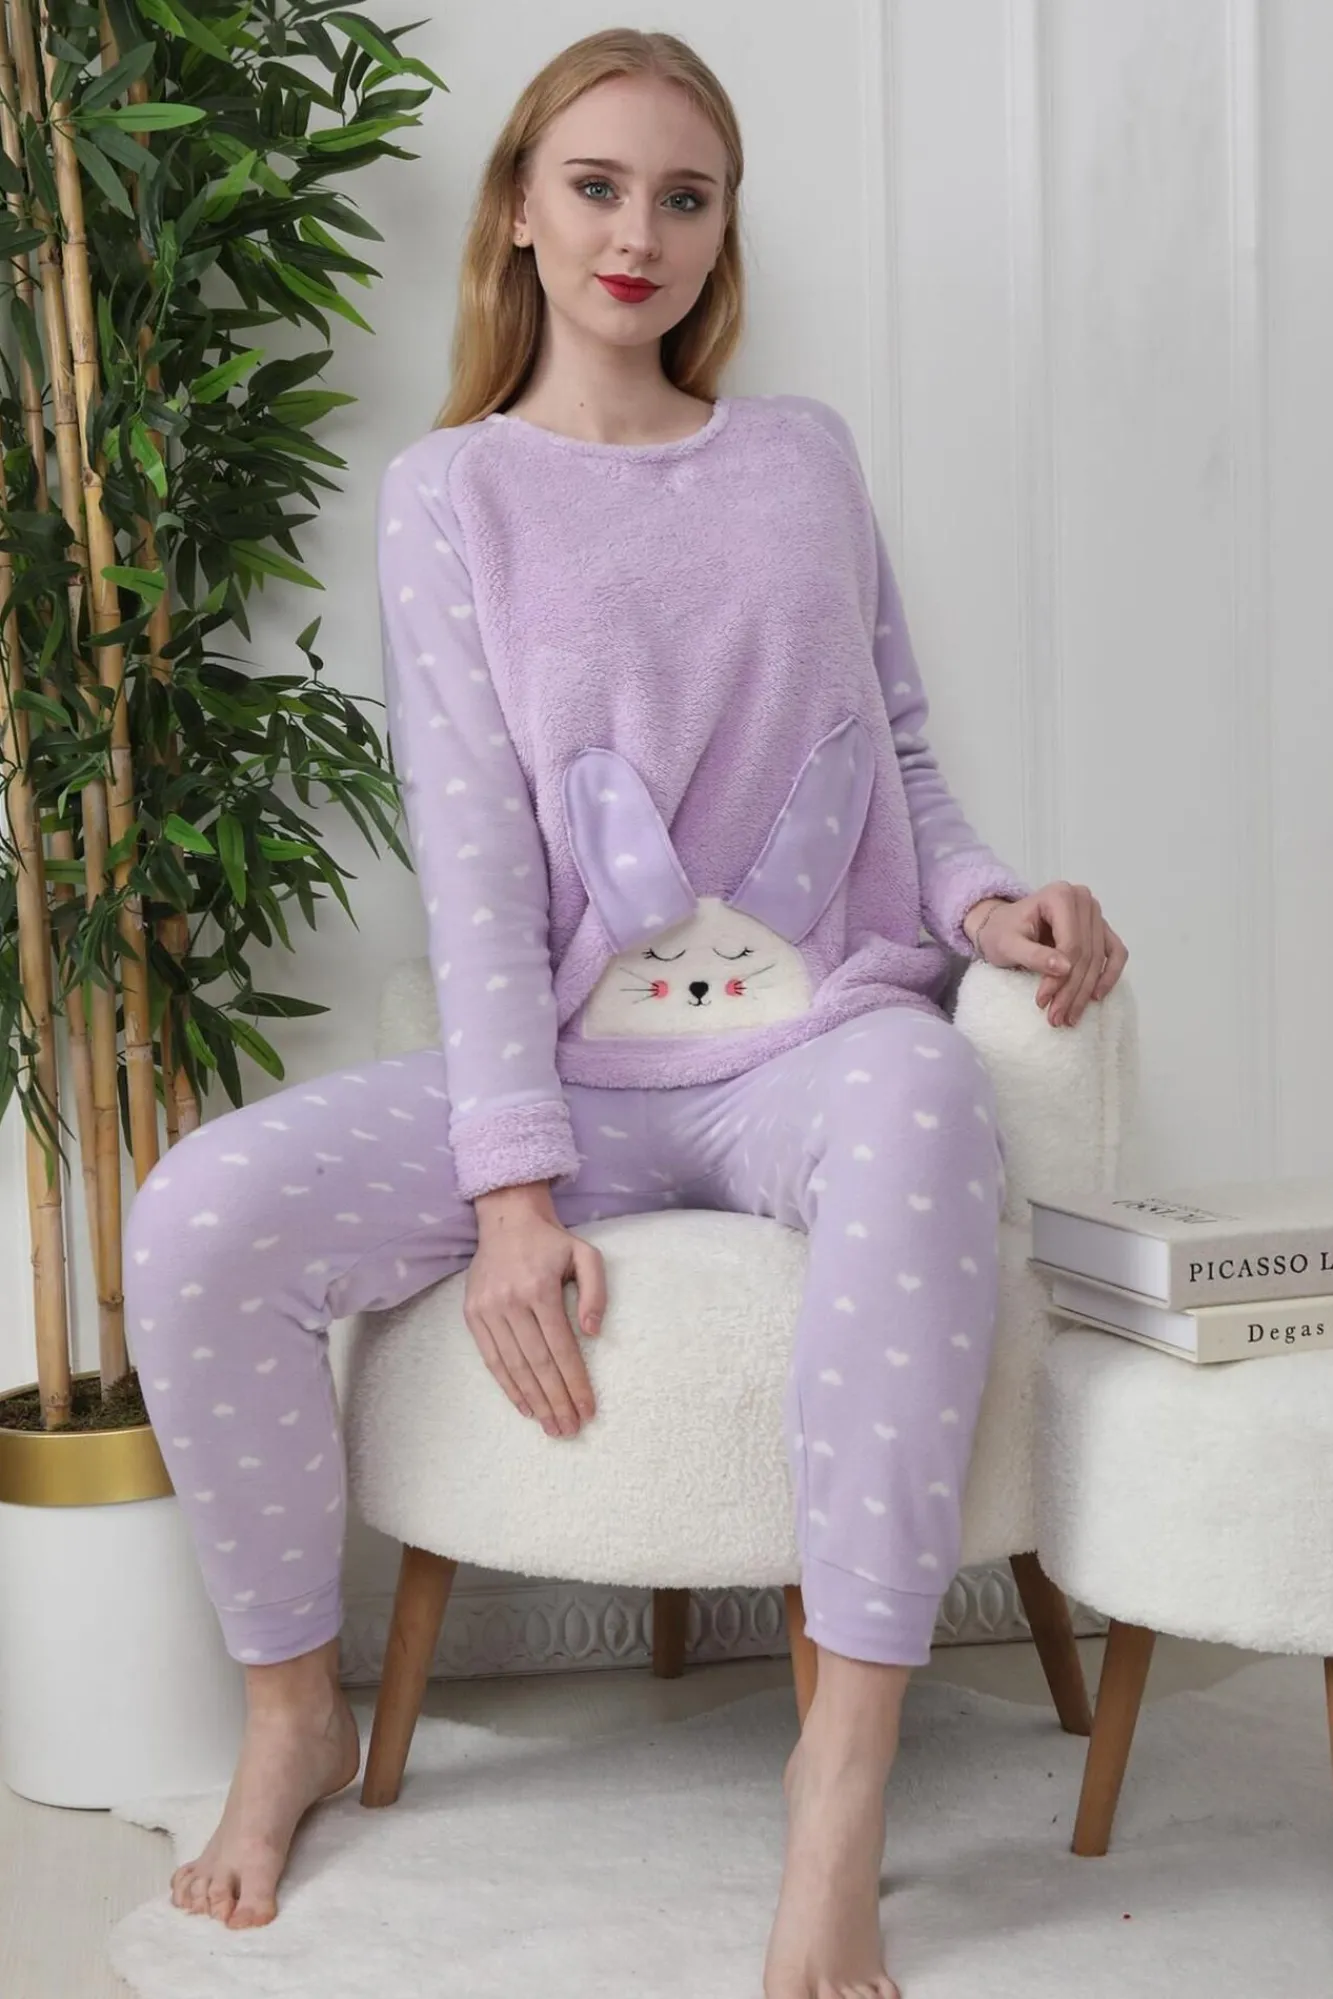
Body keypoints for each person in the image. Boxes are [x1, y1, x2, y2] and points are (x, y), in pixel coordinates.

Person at [124, 25, 1128, 1997]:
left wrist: (980, 900)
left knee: (929, 1096)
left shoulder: (802, 456)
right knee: (200, 1213)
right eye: (596, 186)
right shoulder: (453, 492)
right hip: (573, 1072)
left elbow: (899, 753)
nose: (637, 233)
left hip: (807, 1047)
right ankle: (292, 1716)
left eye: (686, 196)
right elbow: (476, 851)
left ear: (725, 227)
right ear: (519, 207)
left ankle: (838, 1788)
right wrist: (512, 1188)